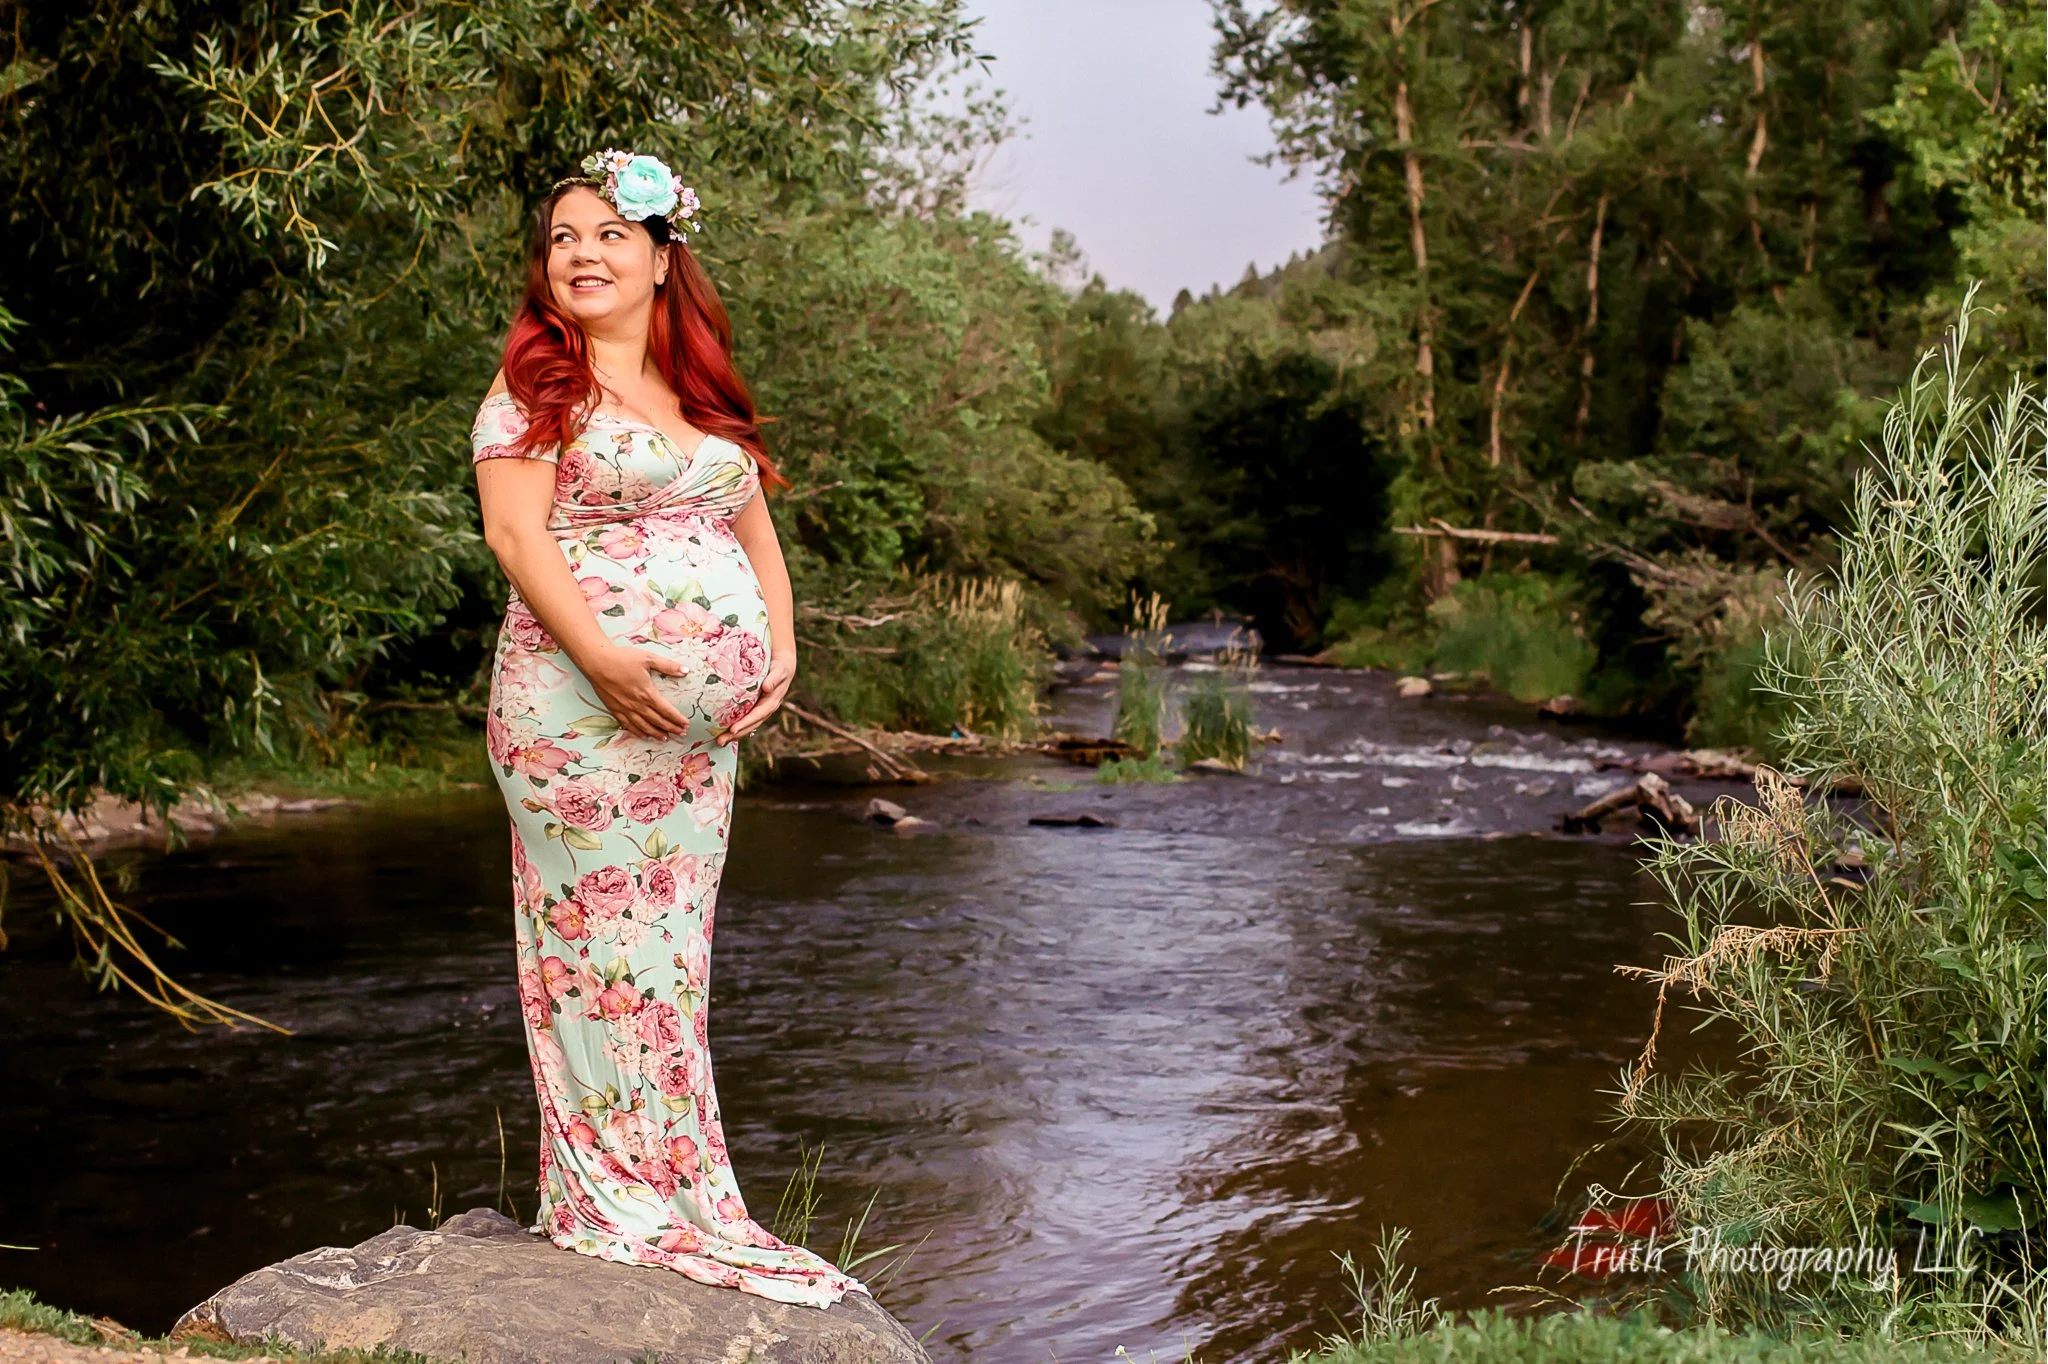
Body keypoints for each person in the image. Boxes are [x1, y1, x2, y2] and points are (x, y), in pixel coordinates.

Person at [470, 150, 861, 1307]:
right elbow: (514, 536)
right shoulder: (535, 388)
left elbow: (752, 529)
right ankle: (606, 1195)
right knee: (597, 954)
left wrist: (779, 646)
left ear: (658, 258)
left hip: (692, 744)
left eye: (608, 234)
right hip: (572, 719)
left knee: (669, 962)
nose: (580, 254)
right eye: (561, 238)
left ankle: (683, 1190)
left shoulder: (697, 396)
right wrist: (601, 657)